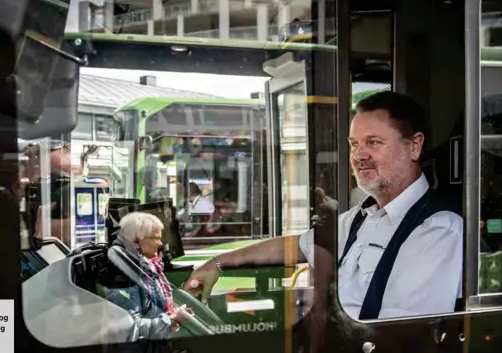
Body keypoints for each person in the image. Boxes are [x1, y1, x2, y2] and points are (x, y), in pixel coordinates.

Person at [186, 91, 463, 320]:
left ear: (414, 146)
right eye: (354, 144)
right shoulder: (361, 217)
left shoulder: (437, 229)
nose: (359, 155)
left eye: (373, 143)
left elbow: (402, 336)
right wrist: (217, 262)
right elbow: (298, 245)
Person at [104, 212, 192, 339]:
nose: (160, 244)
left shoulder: (149, 267)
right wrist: (172, 320)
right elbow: (130, 329)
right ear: (136, 241)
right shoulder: (124, 277)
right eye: (156, 238)